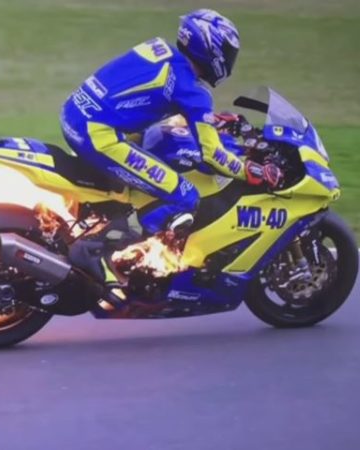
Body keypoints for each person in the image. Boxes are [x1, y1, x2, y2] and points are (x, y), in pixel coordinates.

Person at [61, 9, 282, 301]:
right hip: (99, 135)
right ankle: (96, 250)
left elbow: (152, 97)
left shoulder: (158, 47)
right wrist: (249, 171)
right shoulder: (192, 90)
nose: (229, 60)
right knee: (184, 194)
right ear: (210, 49)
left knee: (150, 164)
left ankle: (109, 225)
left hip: (74, 113)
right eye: (227, 52)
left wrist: (211, 120)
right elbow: (213, 155)